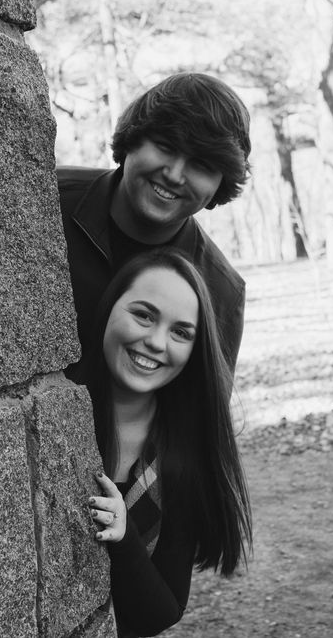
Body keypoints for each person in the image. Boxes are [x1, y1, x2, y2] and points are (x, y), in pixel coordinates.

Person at [77, 248, 252, 637]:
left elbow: (160, 613)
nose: (157, 342)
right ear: (109, 308)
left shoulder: (184, 456)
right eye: (143, 315)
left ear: (194, 351)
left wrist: (124, 536)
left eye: (181, 332)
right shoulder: (53, 410)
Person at [58, 72, 251, 378]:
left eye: (201, 165)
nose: (174, 175)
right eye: (165, 147)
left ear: (220, 184)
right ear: (132, 140)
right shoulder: (47, 199)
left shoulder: (220, 290)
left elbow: (203, 405)